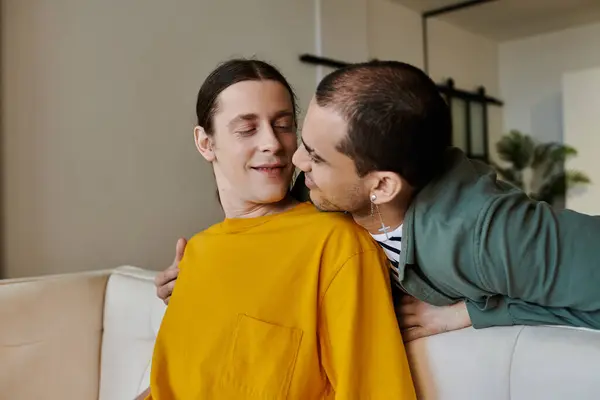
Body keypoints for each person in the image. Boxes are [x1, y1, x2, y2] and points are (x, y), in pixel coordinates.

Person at [156, 59, 600, 343]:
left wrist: (472, 313)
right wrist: (201, 281)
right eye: (302, 140)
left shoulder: (487, 234)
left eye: (313, 154)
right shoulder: (315, 193)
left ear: (382, 186)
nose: (292, 158)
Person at [139, 59, 416, 400]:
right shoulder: (196, 253)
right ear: (206, 143)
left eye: (284, 126)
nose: (273, 142)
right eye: (247, 129)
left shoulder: (336, 243)